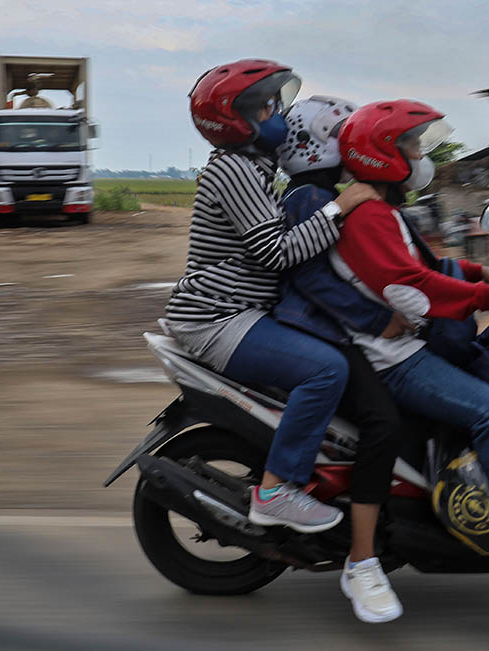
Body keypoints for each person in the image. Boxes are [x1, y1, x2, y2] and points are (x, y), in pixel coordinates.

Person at [330, 99, 489, 594]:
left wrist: (482, 272)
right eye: (411, 145)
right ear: (384, 155)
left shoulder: (384, 210)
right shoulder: (369, 217)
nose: (420, 155)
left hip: (404, 344)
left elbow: (427, 268)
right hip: (392, 360)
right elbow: (412, 288)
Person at [164, 60, 378, 537]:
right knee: (327, 369)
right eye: (267, 104)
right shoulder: (234, 169)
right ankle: (277, 490)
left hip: (237, 314)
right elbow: (275, 252)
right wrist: (340, 207)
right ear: (237, 119)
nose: (277, 111)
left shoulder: (252, 169)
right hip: (218, 318)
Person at [273, 95, 409, 623]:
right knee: (383, 421)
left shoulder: (329, 193)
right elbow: (311, 279)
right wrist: (377, 320)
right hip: (322, 333)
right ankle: (362, 559)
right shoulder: (312, 196)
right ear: (322, 143)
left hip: (334, 331)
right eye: (344, 135)